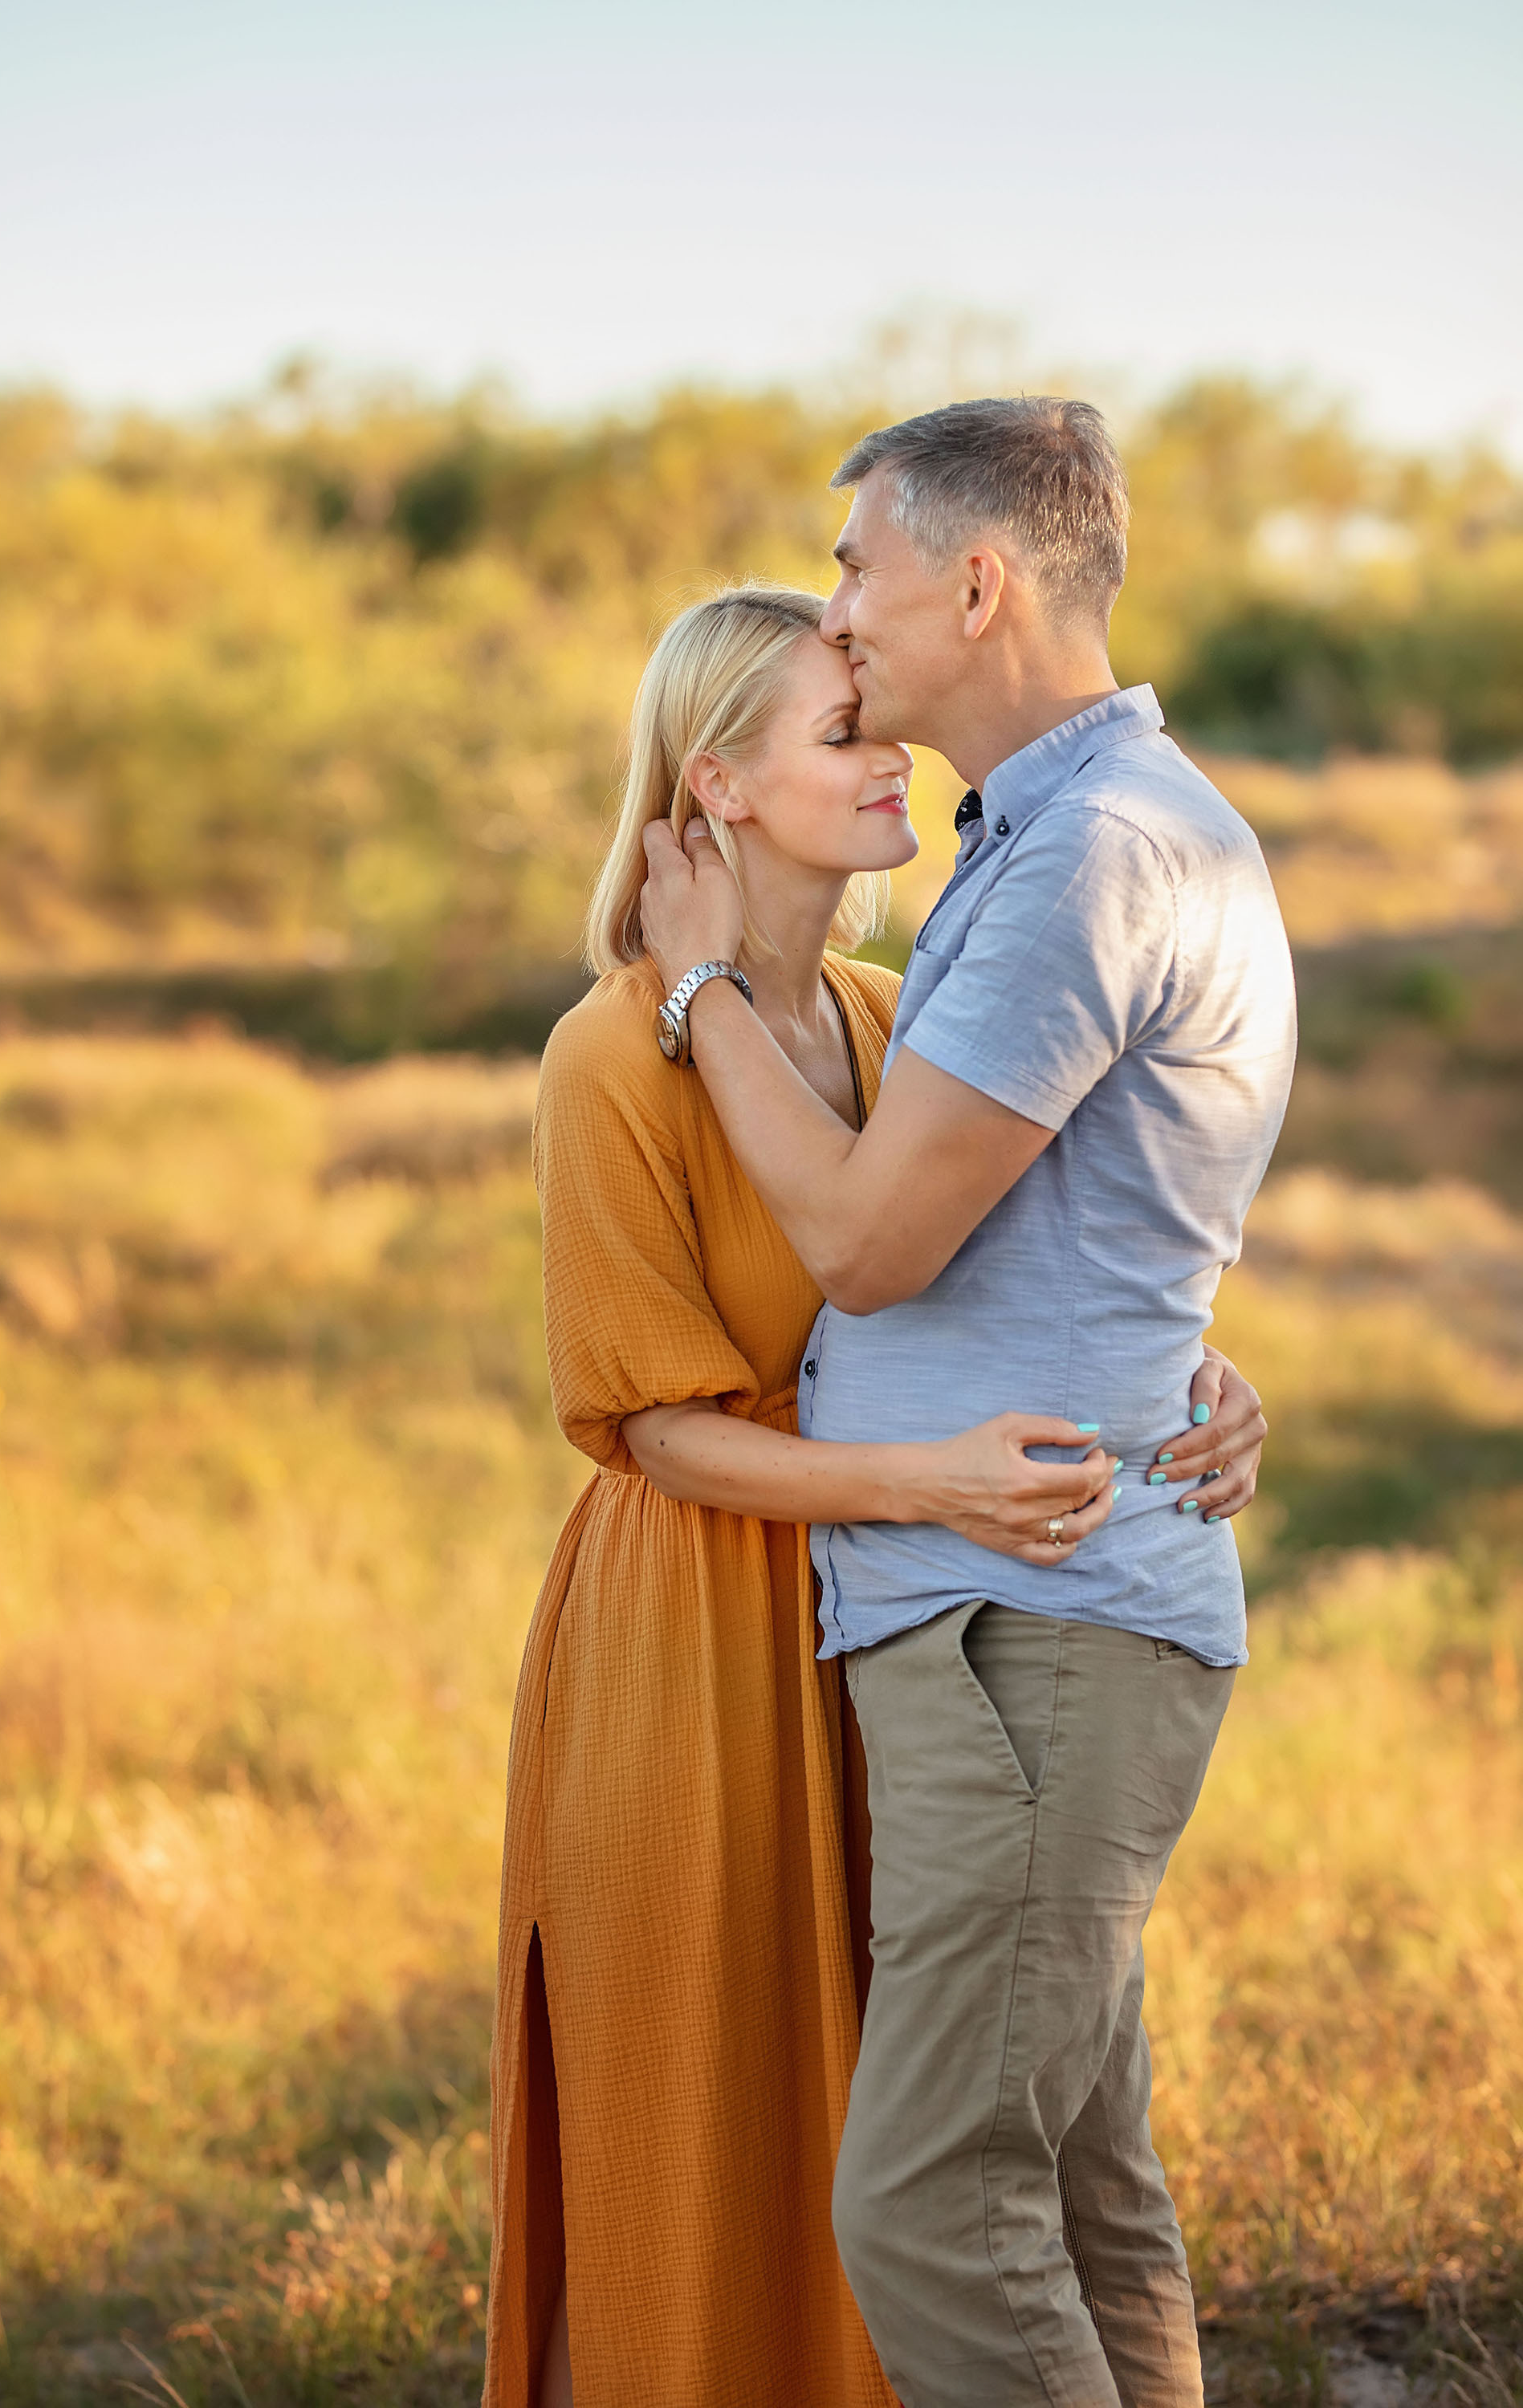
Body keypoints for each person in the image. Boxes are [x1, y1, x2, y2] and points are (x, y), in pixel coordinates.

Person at [483, 584, 1269, 2408]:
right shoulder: (613, 1056)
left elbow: (1040, 1266)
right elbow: (647, 1424)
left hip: (900, 1609)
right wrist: (920, 1481)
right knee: (724, 2125)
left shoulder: (889, 1010)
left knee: (937, 2132)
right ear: (721, 788)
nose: (894, 754)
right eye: (846, 734)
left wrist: (1205, 1381)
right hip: (694, 1633)